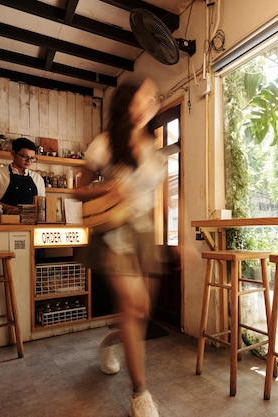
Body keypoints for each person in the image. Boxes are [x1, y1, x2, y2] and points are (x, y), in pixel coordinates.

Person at [73, 78, 166, 417]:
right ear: (126, 103)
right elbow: (77, 191)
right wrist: (107, 188)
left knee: (139, 314)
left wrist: (173, 240)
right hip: (114, 233)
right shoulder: (105, 144)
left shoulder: (153, 148)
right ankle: (140, 393)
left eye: (152, 99)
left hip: (144, 234)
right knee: (134, 305)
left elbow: (157, 199)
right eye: (140, 98)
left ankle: (109, 343)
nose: (147, 104)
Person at [0, 137, 46, 214]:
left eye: (32, 158)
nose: (29, 161)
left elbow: (42, 204)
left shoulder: (37, 178)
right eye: (25, 157)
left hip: (31, 224)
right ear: (13, 153)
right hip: (2, 223)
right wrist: (17, 211)